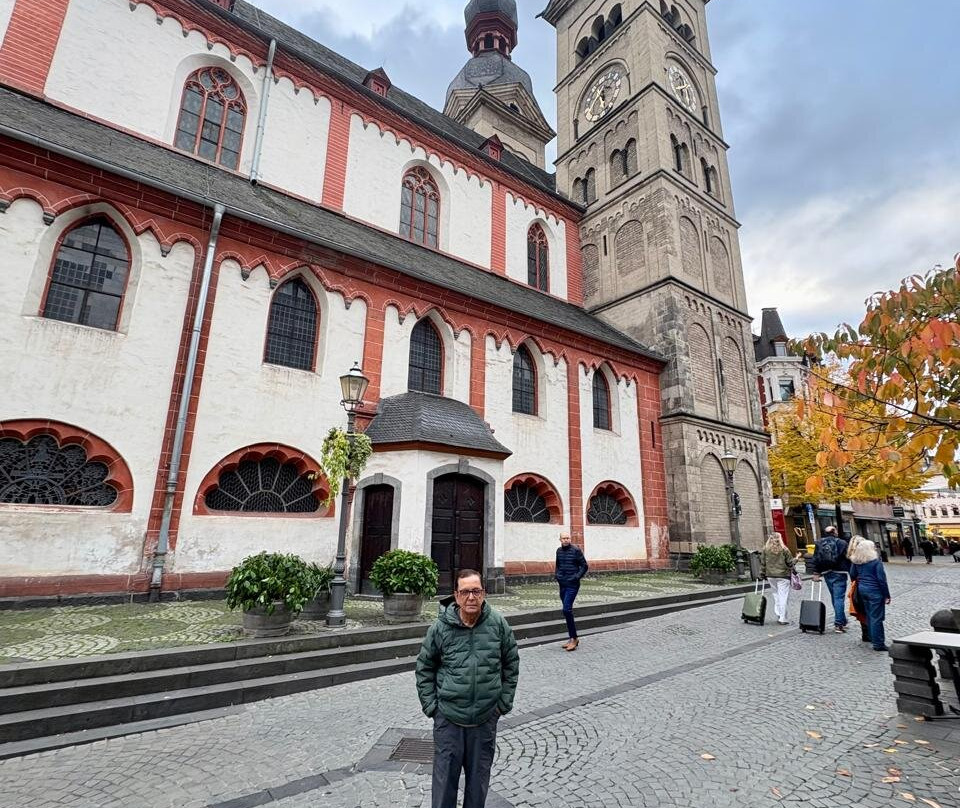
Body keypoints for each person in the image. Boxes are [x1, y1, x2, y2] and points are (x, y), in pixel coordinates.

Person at [415, 569, 519, 808]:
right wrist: (433, 707)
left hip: (484, 720)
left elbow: (511, 662)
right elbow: (424, 667)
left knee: (478, 785)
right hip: (449, 720)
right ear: (456, 595)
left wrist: (502, 704)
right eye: (465, 592)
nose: (471, 597)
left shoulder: (497, 624)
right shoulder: (440, 628)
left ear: (483, 593)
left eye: (476, 591)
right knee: (444, 787)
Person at [848, 538, 891, 652]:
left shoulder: (856, 561)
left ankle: (873, 638)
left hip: (862, 589)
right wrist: (886, 595)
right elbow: (881, 580)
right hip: (875, 591)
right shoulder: (876, 561)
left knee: (869, 615)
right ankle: (878, 643)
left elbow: (852, 575)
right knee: (877, 617)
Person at [810, 525, 850, 633]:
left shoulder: (819, 543)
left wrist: (816, 573)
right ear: (835, 532)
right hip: (840, 573)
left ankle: (842, 620)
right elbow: (848, 558)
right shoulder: (842, 543)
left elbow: (816, 558)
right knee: (839, 598)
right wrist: (853, 573)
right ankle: (839, 624)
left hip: (827, 573)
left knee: (834, 596)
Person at [555, 532, 589, 651]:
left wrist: (576, 577)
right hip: (562, 584)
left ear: (570, 539)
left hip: (572, 585)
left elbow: (584, 566)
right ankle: (571, 638)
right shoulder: (558, 551)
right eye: (564, 538)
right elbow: (558, 565)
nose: (566, 540)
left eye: (568, 538)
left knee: (566, 609)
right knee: (566, 611)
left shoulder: (576, 550)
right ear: (560, 539)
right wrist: (557, 575)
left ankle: (574, 638)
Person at [761, 531, 802, 625]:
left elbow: (763, 564)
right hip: (783, 576)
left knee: (776, 595)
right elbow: (790, 563)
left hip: (770, 576)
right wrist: (797, 557)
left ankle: (779, 613)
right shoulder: (784, 549)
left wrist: (762, 574)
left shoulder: (765, 550)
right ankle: (783, 618)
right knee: (783, 596)